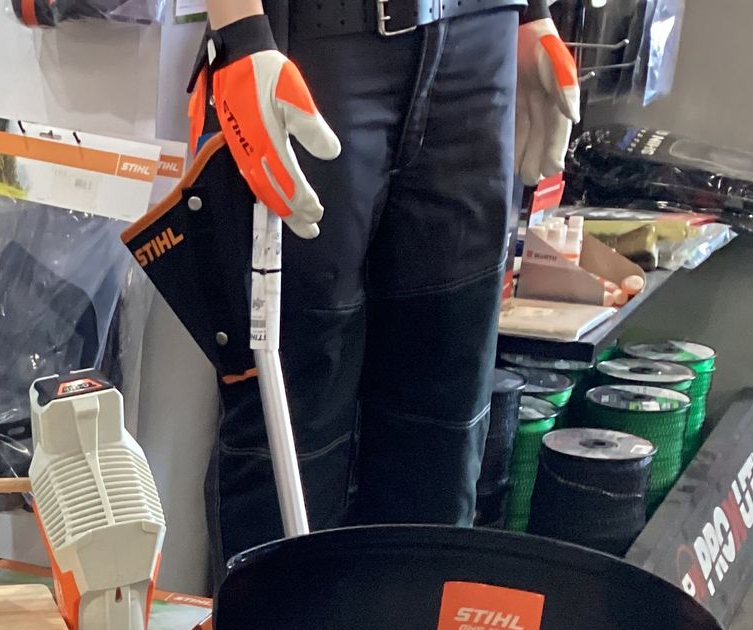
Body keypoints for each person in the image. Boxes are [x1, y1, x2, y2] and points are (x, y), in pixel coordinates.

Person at [197, 0, 579, 560]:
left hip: (481, 44)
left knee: (445, 421)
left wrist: (530, 12)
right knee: (292, 431)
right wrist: (239, 31)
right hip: (321, 45)